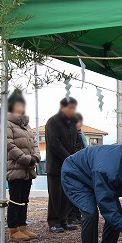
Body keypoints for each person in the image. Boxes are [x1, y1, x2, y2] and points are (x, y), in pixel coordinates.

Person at [5, 89, 41, 241]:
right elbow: (10, 146)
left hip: (28, 169)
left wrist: (35, 158)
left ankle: (22, 226)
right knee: (15, 199)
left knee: (25, 198)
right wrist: (28, 160)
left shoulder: (27, 126)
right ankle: (13, 230)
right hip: (15, 167)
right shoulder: (6, 124)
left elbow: (34, 144)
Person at [45, 97, 83, 232]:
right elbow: (54, 144)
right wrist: (69, 158)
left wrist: (75, 158)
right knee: (55, 195)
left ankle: (63, 220)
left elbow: (76, 143)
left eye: (74, 108)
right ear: (62, 107)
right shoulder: (53, 122)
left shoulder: (72, 123)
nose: (72, 111)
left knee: (66, 194)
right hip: (55, 166)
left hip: (69, 166)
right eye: (70, 108)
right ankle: (53, 222)